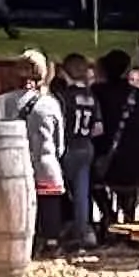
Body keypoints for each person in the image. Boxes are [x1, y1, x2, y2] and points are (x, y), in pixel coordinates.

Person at [0, 54, 74, 254]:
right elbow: (59, 143)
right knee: (49, 207)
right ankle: (51, 243)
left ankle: (22, 243)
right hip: (46, 165)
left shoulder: (2, 102)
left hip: (14, 166)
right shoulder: (51, 103)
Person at [89, 50, 139, 233]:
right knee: (128, 191)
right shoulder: (138, 95)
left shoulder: (96, 92)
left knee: (93, 184)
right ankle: (127, 222)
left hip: (103, 153)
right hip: (133, 156)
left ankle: (108, 216)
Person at [50, 53, 102, 249]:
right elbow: (99, 128)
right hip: (86, 146)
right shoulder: (91, 97)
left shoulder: (63, 97)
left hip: (67, 146)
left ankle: (58, 229)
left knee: (58, 189)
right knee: (82, 193)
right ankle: (83, 232)